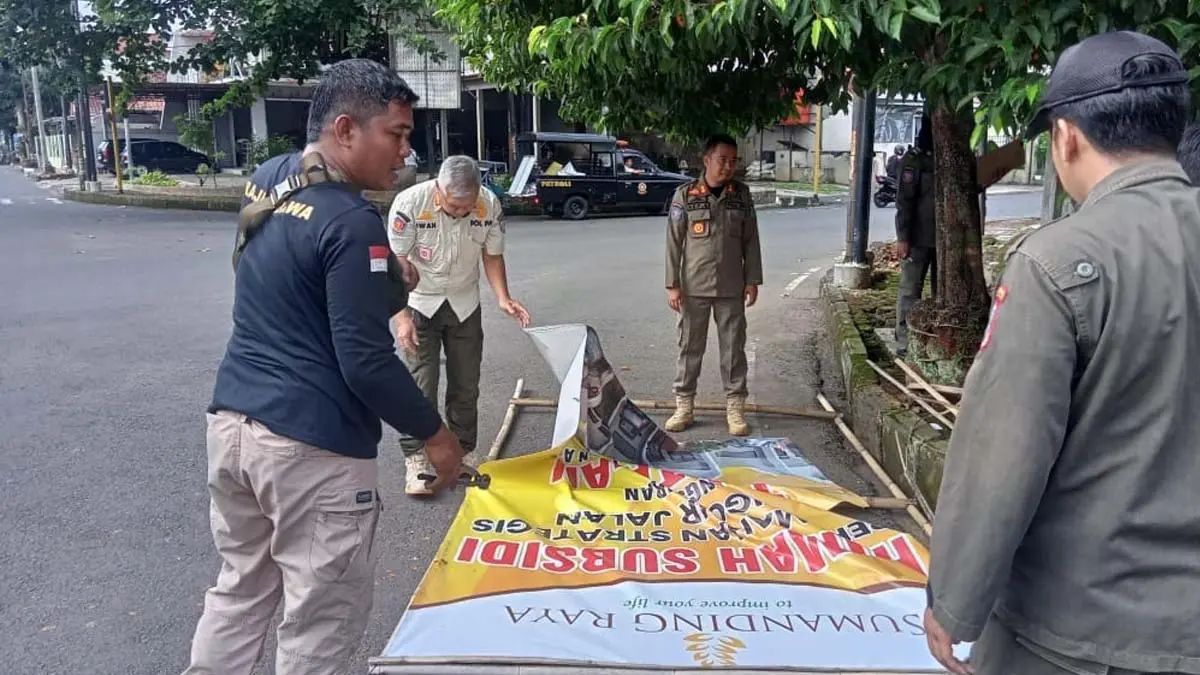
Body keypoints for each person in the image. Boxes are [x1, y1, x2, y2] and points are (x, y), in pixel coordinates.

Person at [925, 31, 1200, 675]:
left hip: (1077, 633)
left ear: (1066, 137)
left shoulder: (1060, 263)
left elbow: (1004, 453)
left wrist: (954, 601)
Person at [181, 59, 466, 675]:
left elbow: (304, 276)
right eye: (395, 134)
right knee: (320, 624)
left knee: (239, 593)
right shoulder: (351, 221)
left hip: (232, 427)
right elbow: (364, 363)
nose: (405, 151)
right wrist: (435, 436)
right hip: (308, 452)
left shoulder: (270, 179)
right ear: (345, 129)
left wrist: (388, 275)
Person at [387, 155, 531, 496]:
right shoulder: (409, 204)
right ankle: (417, 459)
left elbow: (492, 255)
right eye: (454, 206)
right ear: (439, 190)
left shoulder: (488, 205)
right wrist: (401, 316)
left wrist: (502, 297)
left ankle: (462, 451)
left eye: (468, 207)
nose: (462, 213)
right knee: (421, 384)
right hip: (419, 302)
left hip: (464, 304)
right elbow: (396, 265)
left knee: (466, 384)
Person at [664, 134, 763, 437]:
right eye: (723, 160)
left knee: (733, 349)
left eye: (733, 161)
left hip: (731, 287)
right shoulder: (686, 195)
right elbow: (673, 242)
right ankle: (684, 405)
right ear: (706, 160)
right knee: (689, 347)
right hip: (694, 288)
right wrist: (672, 284)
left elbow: (751, 241)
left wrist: (752, 280)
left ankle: (735, 407)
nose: (728, 166)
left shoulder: (741, 195)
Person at [893, 116, 935, 356]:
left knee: (942, 293)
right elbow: (904, 202)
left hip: (944, 242)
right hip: (917, 237)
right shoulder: (914, 161)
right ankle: (904, 342)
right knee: (910, 291)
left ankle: (935, 339)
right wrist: (902, 237)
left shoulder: (952, 158)